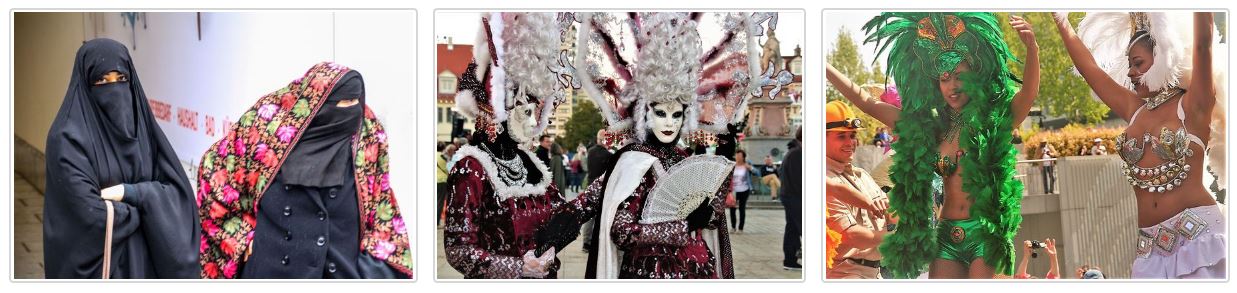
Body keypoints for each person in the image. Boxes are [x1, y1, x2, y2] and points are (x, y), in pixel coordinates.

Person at [827, 12, 1041, 278]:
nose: (952, 86)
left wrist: (1032, 47)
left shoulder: (992, 123)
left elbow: (1028, 94)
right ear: (936, 84)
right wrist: (824, 67)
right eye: (944, 78)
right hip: (946, 233)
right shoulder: (933, 129)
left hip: (984, 233)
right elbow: (868, 103)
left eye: (960, 76)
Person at [574, 12, 778, 279]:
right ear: (645, 115)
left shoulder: (683, 158)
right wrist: (682, 226)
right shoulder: (632, 162)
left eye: (676, 114)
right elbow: (622, 231)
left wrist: (714, 192)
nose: (669, 123)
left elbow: (712, 218)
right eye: (661, 113)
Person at [196, 63, 411, 279]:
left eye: (356, 101)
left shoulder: (367, 135)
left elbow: (382, 205)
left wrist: (369, 271)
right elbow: (215, 172)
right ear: (316, 102)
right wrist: (240, 237)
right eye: (344, 102)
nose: (353, 108)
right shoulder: (268, 128)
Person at [1053, 12, 1226, 278]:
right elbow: (1091, 70)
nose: (1131, 73)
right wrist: (1060, 19)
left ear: (1162, 59)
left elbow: (1203, 43)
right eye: (1129, 65)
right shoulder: (1135, 110)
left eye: (1137, 63)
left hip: (1198, 238)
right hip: (1149, 249)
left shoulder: (1193, 106)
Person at [444, 12, 589, 279]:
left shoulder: (530, 161)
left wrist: (608, 185)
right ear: (496, 111)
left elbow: (564, 213)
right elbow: (459, 250)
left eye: (534, 111)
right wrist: (519, 268)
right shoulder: (471, 168)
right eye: (524, 112)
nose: (533, 122)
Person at [43, 38, 198, 279]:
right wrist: (147, 210)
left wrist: (131, 193)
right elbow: (87, 214)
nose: (114, 89)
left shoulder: (143, 129)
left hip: (148, 267)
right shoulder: (66, 139)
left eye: (121, 79)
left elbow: (179, 195)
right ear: (85, 85)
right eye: (102, 80)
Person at [824, 101, 892, 279]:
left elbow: (890, 212)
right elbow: (851, 236)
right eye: (841, 136)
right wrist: (898, 239)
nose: (850, 142)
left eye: (852, 135)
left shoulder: (862, 175)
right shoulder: (825, 180)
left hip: (872, 272)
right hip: (844, 274)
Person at [729, 150, 758, 233]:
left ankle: (740, 228)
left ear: (743, 157)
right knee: (732, 209)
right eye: (737, 155)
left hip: (744, 189)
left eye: (740, 156)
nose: (738, 157)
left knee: (742, 208)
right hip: (734, 191)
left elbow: (757, 172)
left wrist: (750, 167)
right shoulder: (732, 165)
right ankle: (733, 227)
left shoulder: (747, 164)